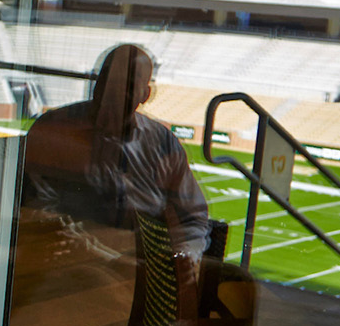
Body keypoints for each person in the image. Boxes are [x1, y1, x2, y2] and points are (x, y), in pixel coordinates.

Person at [25, 42, 211, 258]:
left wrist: (182, 257)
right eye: (108, 80)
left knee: (232, 275)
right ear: (96, 82)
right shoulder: (54, 129)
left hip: (146, 263)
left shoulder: (163, 143)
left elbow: (192, 218)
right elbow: (38, 212)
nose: (115, 92)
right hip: (74, 259)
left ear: (145, 94)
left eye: (128, 85)